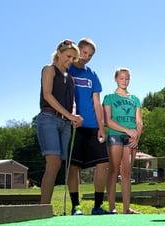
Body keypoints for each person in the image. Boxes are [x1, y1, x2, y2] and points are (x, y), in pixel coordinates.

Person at [67, 38, 111, 215]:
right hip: (73, 124)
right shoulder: (66, 68)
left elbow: (97, 103)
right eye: (84, 52)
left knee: (102, 163)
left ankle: (97, 206)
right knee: (73, 166)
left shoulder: (92, 75)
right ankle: (75, 206)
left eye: (90, 55)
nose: (86, 57)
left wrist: (102, 127)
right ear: (78, 50)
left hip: (93, 125)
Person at [36, 40, 83, 204]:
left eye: (73, 58)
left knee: (59, 164)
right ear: (59, 53)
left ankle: (45, 206)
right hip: (48, 119)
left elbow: (73, 103)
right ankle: (43, 207)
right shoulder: (49, 70)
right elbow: (48, 95)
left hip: (65, 124)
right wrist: (70, 116)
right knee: (53, 162)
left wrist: (75, 116)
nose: (70, 60)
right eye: (68, 56)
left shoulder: (70, 78)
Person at [103, 68, 143, 214]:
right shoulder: (109, 98)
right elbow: (108, 121)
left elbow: (139, 122)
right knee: (113, 171)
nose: (124, 81)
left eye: (127, 78)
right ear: (116, 79)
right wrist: (126, 130)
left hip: (131, 138)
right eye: (121, 78)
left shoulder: (135, 99)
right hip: (115, 136)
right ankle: (112, 207)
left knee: (126, 173)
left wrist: (136, 136)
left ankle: (127, 208)